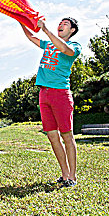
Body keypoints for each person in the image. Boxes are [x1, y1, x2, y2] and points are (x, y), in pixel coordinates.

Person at [20, 17, 81, 187]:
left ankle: (72, 176)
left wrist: (46, 30)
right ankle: (64, 174)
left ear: (72, 30)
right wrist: (18, 18)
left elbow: (65, 49)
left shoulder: (75, 46)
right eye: (60, 23)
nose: (61, 25)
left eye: (65, 24)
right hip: (44, 94)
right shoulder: (48, 44)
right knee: (52, 136)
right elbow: (31, 37)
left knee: (66, 135)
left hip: (60, 94)